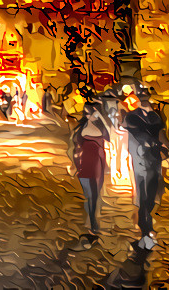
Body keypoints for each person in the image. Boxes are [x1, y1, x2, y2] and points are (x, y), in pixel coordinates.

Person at [123, 87, 169, 251]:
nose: (144, 99)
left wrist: (168, 153)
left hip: (154, 159)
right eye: (141, 97)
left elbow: (161, 135)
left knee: (152, 196)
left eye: (146, 96)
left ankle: (146, 230)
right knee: (143, 196)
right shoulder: (132, 117)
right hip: (141, 160)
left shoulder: (155, 116)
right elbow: (132, 137)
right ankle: (146, 231)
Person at [69, 97, 111, 241]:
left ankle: (93, 222)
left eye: (91, 113)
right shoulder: (81, 128)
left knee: (96, 194)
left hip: (98, 164)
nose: (88, 115)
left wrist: (102, 118)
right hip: (84, 164)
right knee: (89, 195)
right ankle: (92, 223)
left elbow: (110, 137)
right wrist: (73, 164)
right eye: (86, 113)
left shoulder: (102, 128)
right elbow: (73, 147)